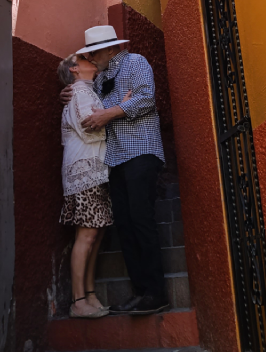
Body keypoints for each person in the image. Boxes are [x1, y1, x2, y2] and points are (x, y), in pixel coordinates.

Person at [62, 26, 169, 316]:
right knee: (125, 224)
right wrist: (72, 91)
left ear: (111, 49)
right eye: (89, 54)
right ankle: (140, 292)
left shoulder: (135, 62)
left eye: (94, 52)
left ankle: (156, 293)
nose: (92, 58)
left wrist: (108, 113)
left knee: (141, 219)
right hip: (116, 158)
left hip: (141, 151)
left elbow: (146, 97)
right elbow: (88, 106)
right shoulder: (98, 81)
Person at [57, 53, 115, 319]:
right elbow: (89, 127)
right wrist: (117, 112)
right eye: (84, 58)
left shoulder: (85, 91)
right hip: (85, 172)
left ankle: (89, 295)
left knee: (96, 234)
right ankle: (79, 300)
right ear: (75, 69)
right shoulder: (79, 92)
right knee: (88, 236)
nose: (91, 59)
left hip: (93, 171)